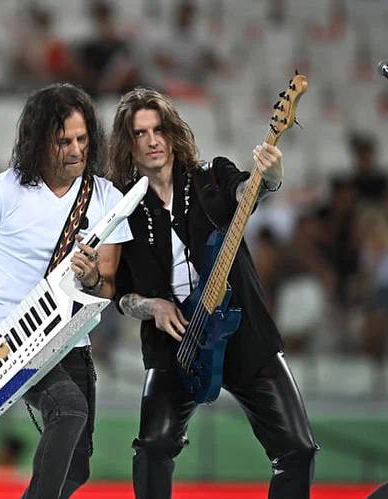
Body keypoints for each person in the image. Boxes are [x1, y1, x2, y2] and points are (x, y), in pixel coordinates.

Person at [106, 87, 317, 499]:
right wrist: (152, 306)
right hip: (177, 343)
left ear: (172, 133)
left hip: (244, 334)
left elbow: (246, 193)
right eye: (139, 133)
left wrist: (269, 177)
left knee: (298, 450)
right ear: (127, 143)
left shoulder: (211, 177)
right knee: (152, 448)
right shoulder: (123, 207)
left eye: (158, 129)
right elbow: (121, 295)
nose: (152, 140)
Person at [0, 83, 131, 498]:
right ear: (39, 141)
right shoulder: (1, 191)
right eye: (64, 141)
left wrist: (92, 278)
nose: (77, 150)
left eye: (83, 139)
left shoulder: (106, 197)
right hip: (11, 341)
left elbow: (107, 288)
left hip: (71, 340)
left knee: (77, 470)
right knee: (68, 409)